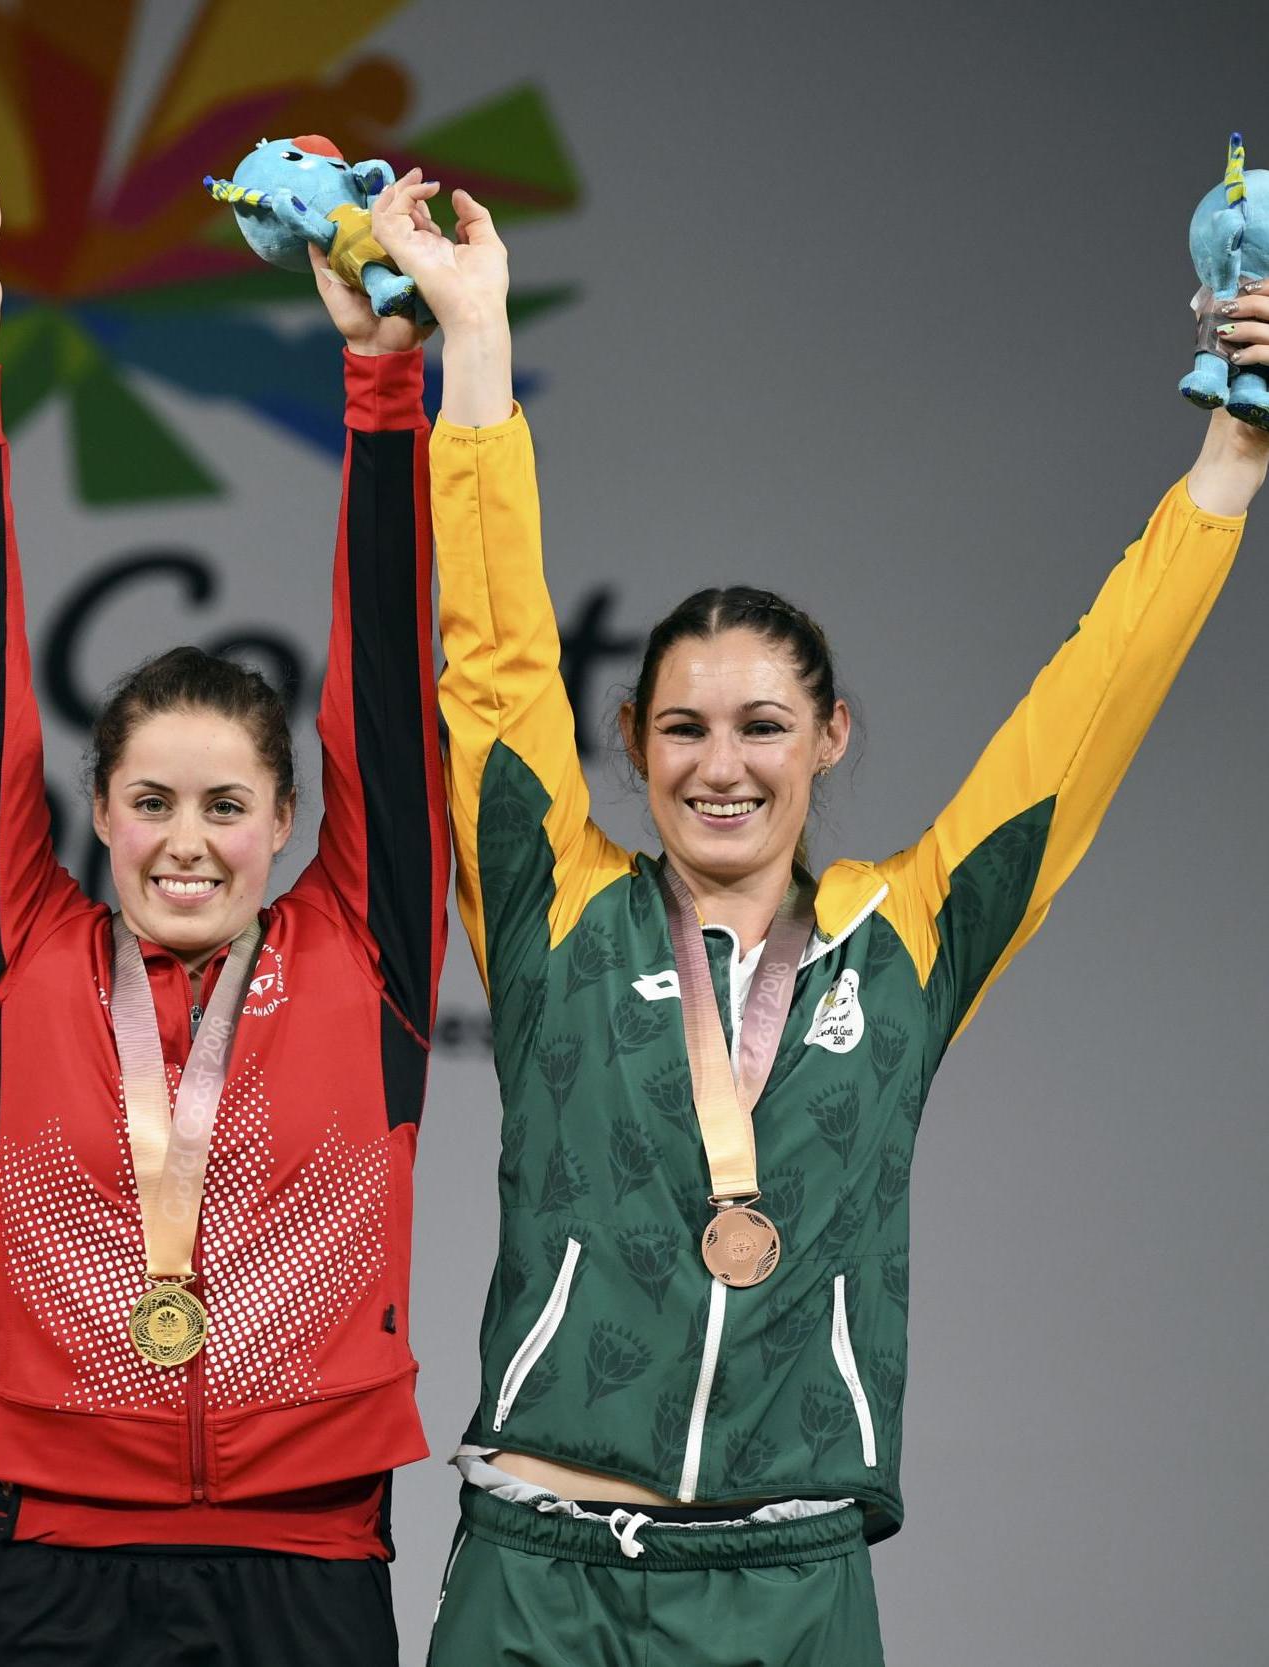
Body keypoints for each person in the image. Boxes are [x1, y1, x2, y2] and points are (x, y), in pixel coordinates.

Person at [375, 181, 1265, 1664]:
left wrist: (1230, 457)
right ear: (631, 742)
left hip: (787, 1586)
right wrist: (473, 337)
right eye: (680, 728)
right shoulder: (557, 911)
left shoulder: (907, 939)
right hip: (534, 1569)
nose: (720, 766)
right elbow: (490, 651)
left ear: (830, 736)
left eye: (762, 726)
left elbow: (1086, 715)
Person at [0, 172, 447, 1666]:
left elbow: (390, 690)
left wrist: (384, 382)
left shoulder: (369, 954)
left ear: (286, 818)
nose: (183, 845)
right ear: (94, 809)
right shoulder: (12, 961)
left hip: (308, 1558)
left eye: (222, 806)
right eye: (149, 802)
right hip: (58, 1559)